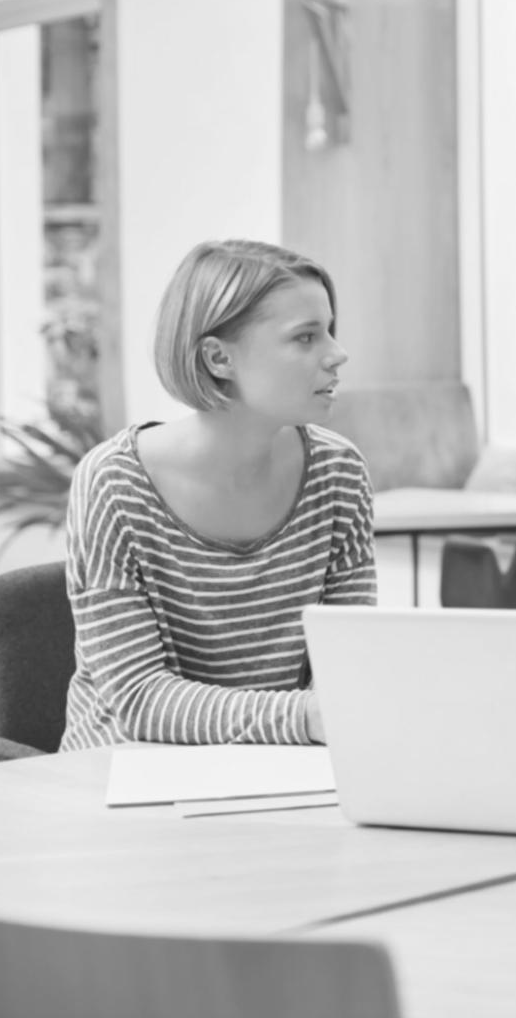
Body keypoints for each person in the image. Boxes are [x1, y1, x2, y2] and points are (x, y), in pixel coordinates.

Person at [60, 240, 374, 750]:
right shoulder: (112, 483)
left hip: (278, 770)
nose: (337, 354)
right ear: (218, 357)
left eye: (330, 330)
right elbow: (138, 699)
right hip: (125, 776)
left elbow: (347, 666)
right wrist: (307, 717)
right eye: (305, 337)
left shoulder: (338, 473)